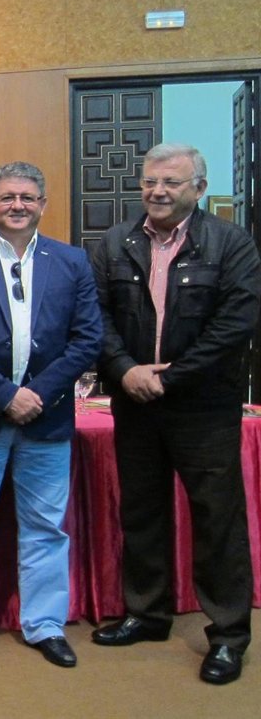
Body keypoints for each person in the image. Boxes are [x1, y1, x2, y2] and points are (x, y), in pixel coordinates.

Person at [90, 143, 260, 685]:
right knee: (142, 513)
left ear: (199, 189)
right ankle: (147, 614)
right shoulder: (116, 242)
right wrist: (125, 370)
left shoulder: (231, 244)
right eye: (150, 182)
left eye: (171, 182)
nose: (157, 192)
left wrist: (168, 377)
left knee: (217, 521)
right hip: (134, 402)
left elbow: (234, 326)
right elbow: (94, 316)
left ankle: (228, 635)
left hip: (203, 408)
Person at [0, 161, 101, 668]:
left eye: (28, 197)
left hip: (46, 420)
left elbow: (87, 339)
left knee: (46, 527)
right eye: (7, 196)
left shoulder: (72, 262)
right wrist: (5, 395)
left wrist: (37, 395)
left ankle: (45, 625)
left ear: (43, 205)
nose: (18, 205)